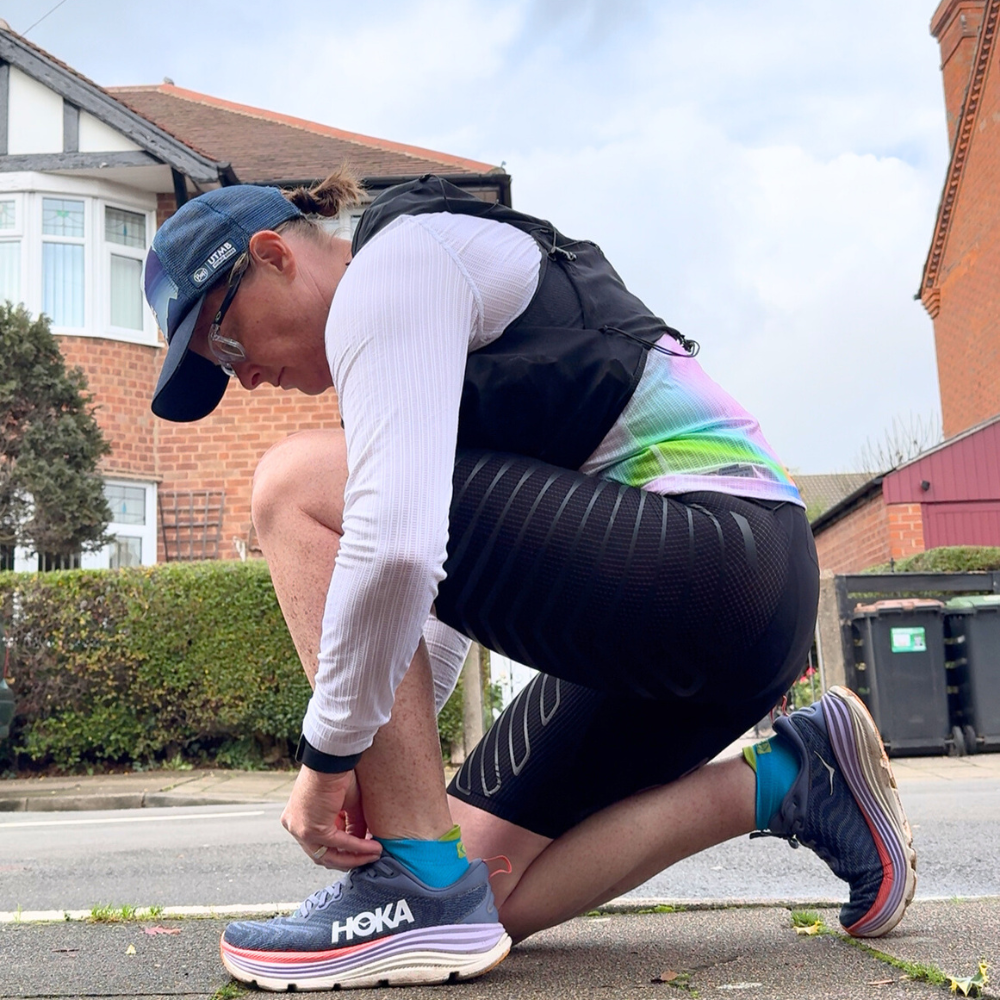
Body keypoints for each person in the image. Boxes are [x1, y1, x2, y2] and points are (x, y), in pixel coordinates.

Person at [142, 174, 916, 992]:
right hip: (706, 617)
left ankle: (416, 879)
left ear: (272, 255)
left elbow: (397, 553)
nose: (244, 380)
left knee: (292, 485)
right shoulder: (403, 346)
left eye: (225, 348)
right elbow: (432, 595)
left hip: (720, 553)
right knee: (485, 894)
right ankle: (796, 777)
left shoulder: (395, 267)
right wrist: (376, 762)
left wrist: (329, 760)